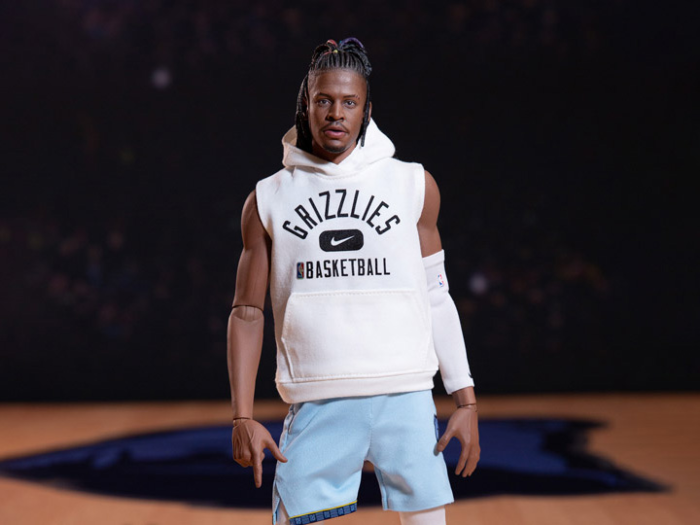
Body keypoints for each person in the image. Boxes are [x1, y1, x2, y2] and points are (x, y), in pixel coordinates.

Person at [228, 38, 479, 525]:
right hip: (317, 397)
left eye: (349, 102)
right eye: (324, 100)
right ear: (306, 104)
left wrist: (465, 398)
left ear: (367, 110)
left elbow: (436, 295)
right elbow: (246, 312)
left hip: (405, 394)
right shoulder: (268, 198)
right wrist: (242, 415)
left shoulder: (413, 184)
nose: (336, 114)